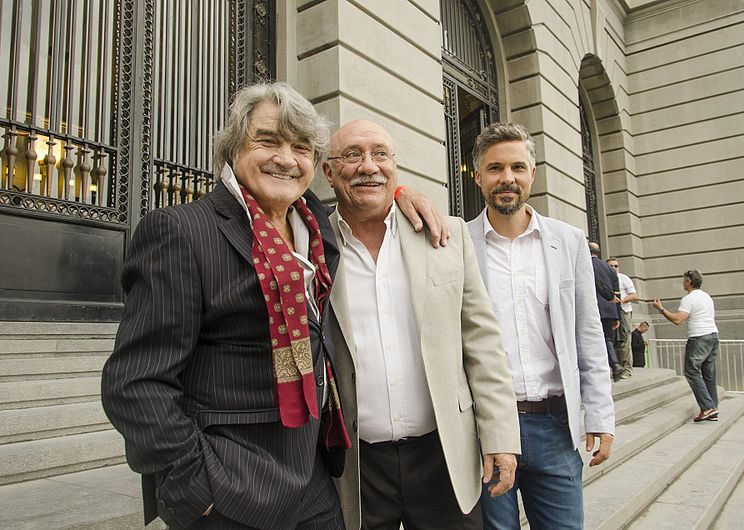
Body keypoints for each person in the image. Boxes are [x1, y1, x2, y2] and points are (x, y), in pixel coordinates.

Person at [101, 82, 447, 529]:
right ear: (232, 148)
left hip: (315, 481)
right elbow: (134, 383)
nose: (286, 158)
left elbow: (366, 196)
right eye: (267, 141)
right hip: (229, 488)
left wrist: (404, 195)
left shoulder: (315, 225)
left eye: (300, 147)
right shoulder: (181, 231)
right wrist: (194, 489)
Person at [322, 119, 521, 530]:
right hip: (354, 464)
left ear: (395, 165)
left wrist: (500, 435)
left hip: (444, 455)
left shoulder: (445, 235)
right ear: (328, 171)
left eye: (380, 154)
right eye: (352, 155)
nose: (368, 166)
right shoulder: (311, 239)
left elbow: (482, 341)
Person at [465, 122, 615, 530]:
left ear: (532, 173)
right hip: (486, 428)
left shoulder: (568, 241)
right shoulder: (458, 243)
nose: (507, 178)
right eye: (495, 168)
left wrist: (600, 414)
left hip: (555, 425)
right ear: (478, 176)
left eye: (517, 167)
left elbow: (588, 331)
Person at [653, 270, 720, 422]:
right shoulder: (706, 296)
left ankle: (708, 406)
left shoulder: (689, 299)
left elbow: (678, 320)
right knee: (709, 375)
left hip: (699, 337)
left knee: (691, 372)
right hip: (713, 336)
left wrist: (661, 309)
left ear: (689, 281)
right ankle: (712, 408)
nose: (682, 282)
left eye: (684, 280)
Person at [590, 242, 623, 381]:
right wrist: (618, 315)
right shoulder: (609, 268)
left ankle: (612, 365)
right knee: (607, 338)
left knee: (597, 340)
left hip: (595, 306)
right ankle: (614, 364)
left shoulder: (586, 264)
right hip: (610, 309)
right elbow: (617, 293)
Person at [607, 257, 638, 378]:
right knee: (613, 341)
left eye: (616, 266)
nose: (614, 268)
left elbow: (634, 295)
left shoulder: (623, 278)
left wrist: (622, 301)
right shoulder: (605, 278)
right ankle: (617, 368)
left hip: (624, 311)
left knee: (625, 341)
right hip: (611, 312)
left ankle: (627, 370)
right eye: (611, 266)